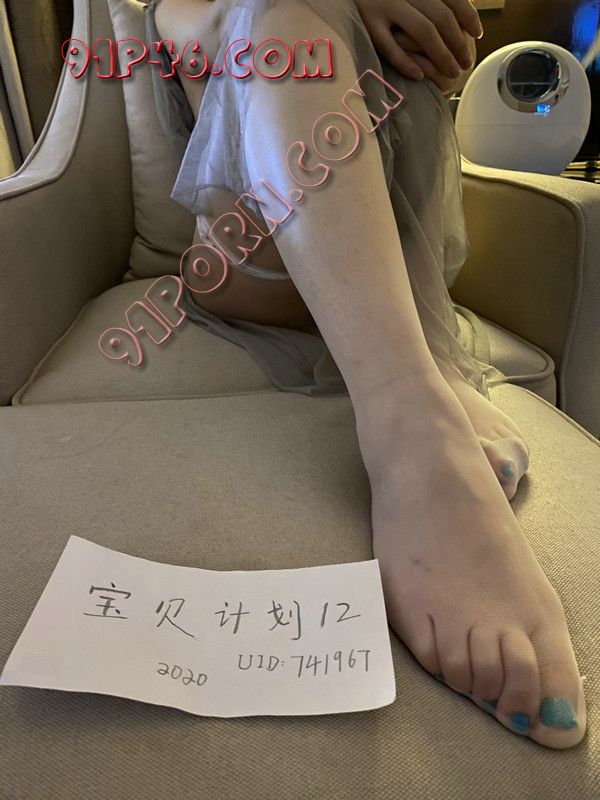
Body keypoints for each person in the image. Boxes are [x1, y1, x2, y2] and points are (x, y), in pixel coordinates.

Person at [144, 0, 586, 747]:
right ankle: (412, 426)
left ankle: (420, 361)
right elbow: (199, 27)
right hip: (251, 259)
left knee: (391, 43)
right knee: (279, 13)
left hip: (390, 265)